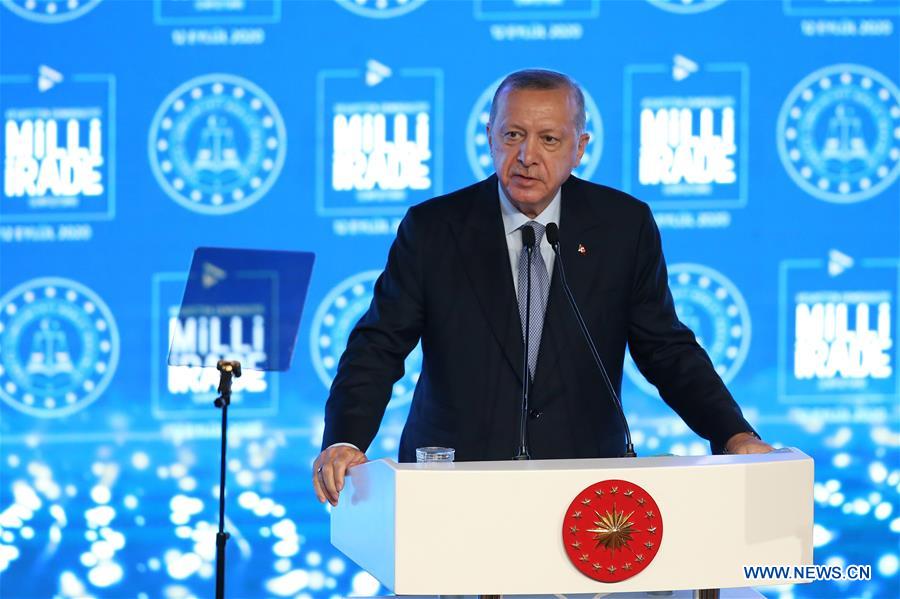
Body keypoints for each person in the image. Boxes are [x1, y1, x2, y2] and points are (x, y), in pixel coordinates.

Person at [313, 69, 772, 506]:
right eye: (513, 135)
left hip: (586, 486)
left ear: (580, 148)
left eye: (549, 139)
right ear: (490, 136)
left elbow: (666, 350)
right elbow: (378, 346)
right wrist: (345, 439)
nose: (527, 156)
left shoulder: (623, 226)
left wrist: (732, 433)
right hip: (454, 481)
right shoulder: (433, 229)